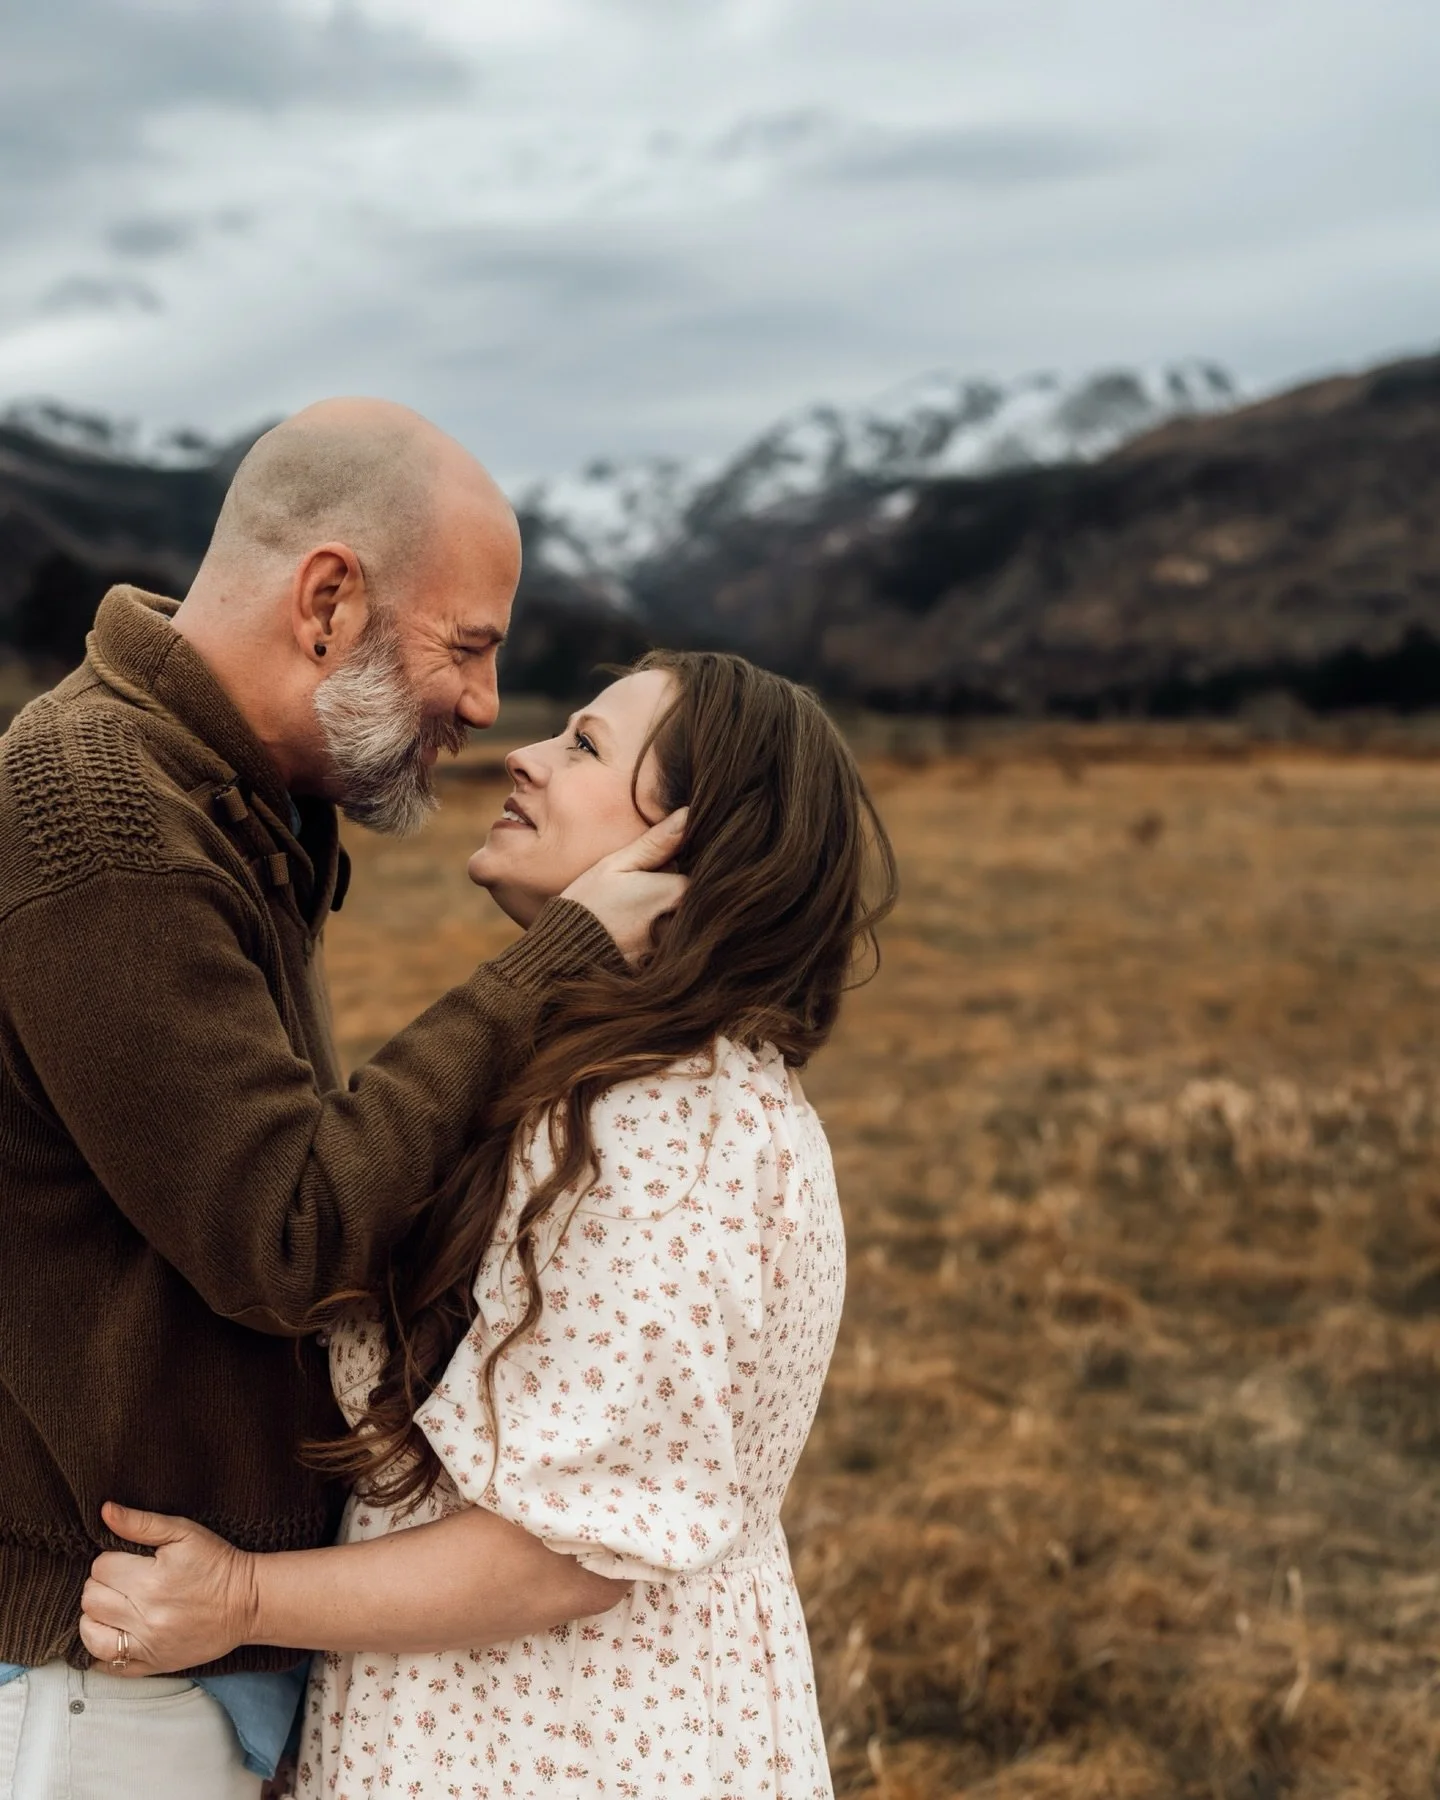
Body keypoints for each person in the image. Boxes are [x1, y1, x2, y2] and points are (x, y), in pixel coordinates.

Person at [0, 400, 684, 1799]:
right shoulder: (102, 818)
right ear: (328, 602)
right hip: (105, 1665)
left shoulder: (232, 803)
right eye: (471, 646)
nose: (489, 708)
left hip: (179, 1645)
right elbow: (286, 1233)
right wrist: (557, 967)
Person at [78, 650, 899, 1800]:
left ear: (691, 851)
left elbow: (559, 1554)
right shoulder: (616, 1086)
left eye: (585, 747)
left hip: (570, 1740)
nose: (523, 753)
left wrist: (242, 1602)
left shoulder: (667, 1128)